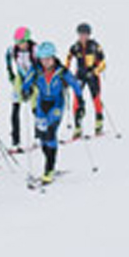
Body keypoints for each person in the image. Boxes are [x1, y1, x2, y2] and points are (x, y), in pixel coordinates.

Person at [22, 42, 84, 183]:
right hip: (41, 103)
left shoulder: (61, 71)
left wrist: (80, 101)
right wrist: (26, 91)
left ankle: (49, 168)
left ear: (53, 57)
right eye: (43, 59)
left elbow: (74, 84)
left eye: (48, 58)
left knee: (50, 133)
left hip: (57, 104)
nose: (45, 62)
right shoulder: (36, 69)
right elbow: (27, 81)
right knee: (42, 135)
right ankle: (49, 161)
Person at [68, 21, 107, 136]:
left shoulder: (95, 46)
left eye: (85, 34)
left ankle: (99, 124)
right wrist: (65, 72)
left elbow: (103, 63)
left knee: (96, 99)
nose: (82, 37)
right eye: (80, 34)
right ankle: (77, 126)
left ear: (89, 35)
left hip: (92, 76)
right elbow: (68, 58)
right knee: (77, 99)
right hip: (80, 75)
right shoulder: (75, 47)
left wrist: (95, 71)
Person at [4, 27, 39, 147]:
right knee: (15, 108)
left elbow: (38, 67)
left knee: (36, 108)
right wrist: (11, 75)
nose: (20, 45)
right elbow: (7, 58)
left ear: (28, 40)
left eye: (22, 42)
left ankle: (38, 136)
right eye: (17, 42)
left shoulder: (35, 50)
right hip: (20, 78)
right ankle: (15, 140)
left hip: (34, 79)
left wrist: (29, 85)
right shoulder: (13, 50)